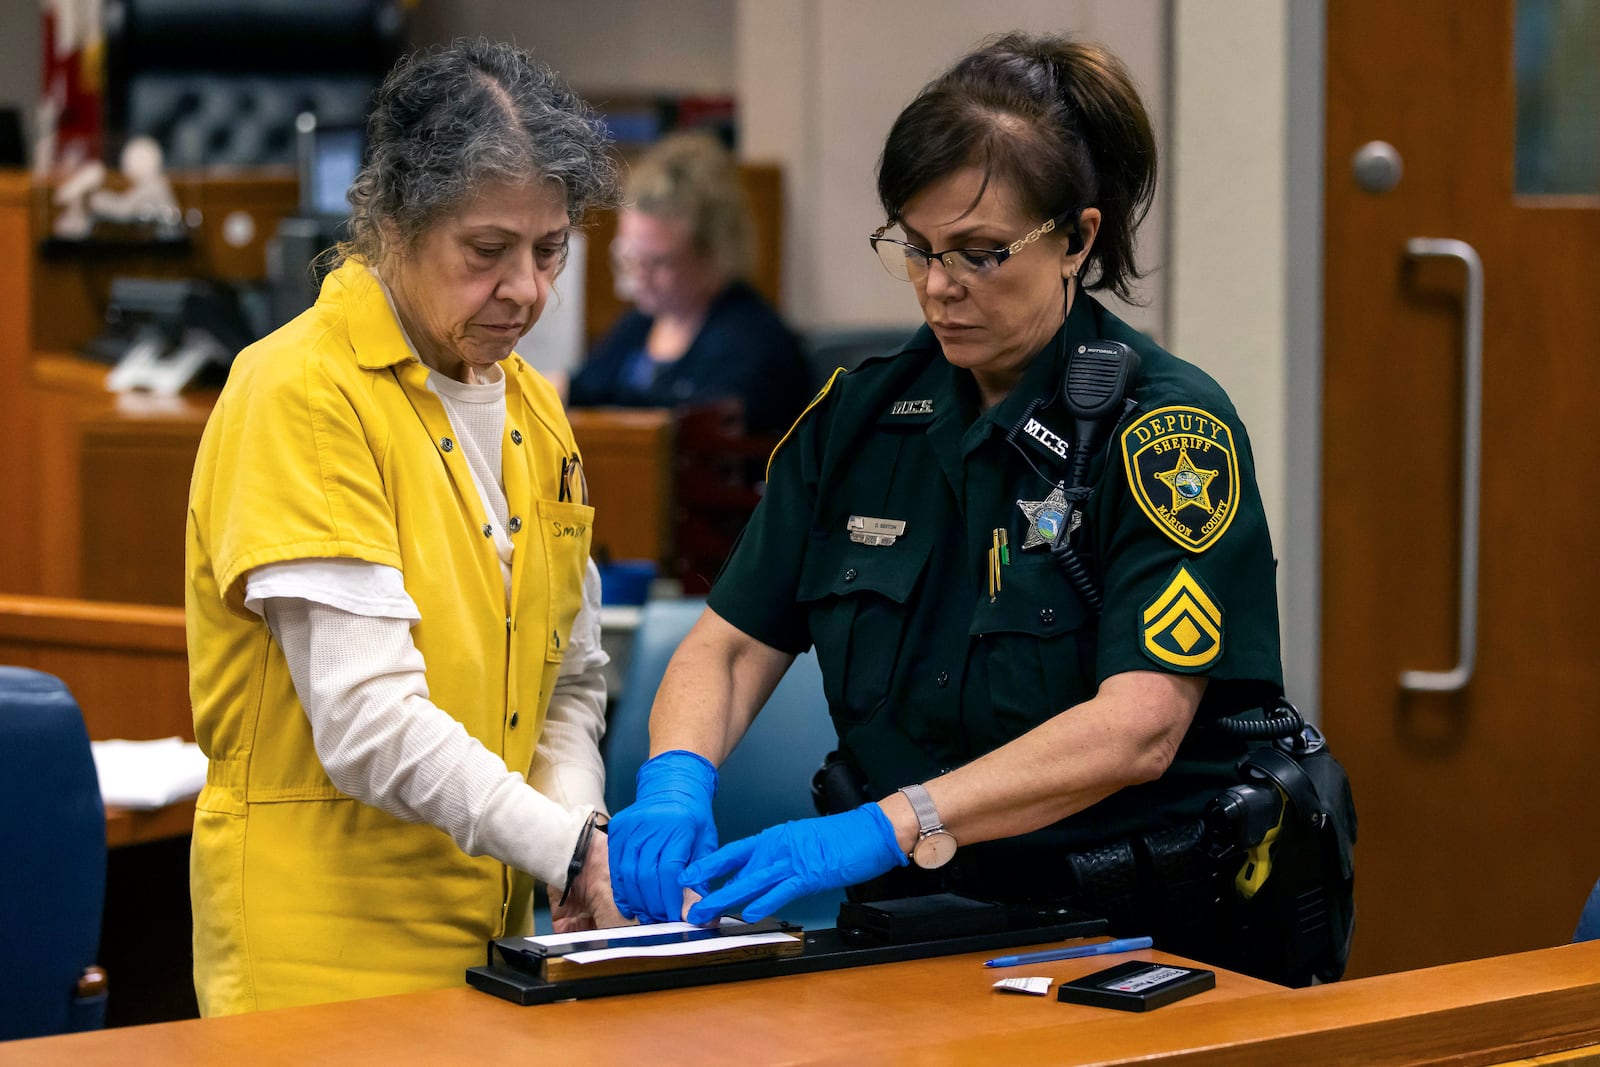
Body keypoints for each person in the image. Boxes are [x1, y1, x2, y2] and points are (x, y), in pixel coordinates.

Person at [608, 33, 1290, 972]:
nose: (938, 287)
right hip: (912, 934)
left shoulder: (1165, 431)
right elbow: (727, 645)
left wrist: (896, 821)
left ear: (1077, 239)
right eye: (918, 248)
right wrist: (675, 780)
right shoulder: (859, 416)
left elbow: (1141, 723)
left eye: (979, 254)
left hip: (1129, 939)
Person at [186, 39, 625, 1016]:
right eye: (486, 252)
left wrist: (573, 830)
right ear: (389, 222)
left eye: (549, 249)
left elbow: (570, 680)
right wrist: (568, 846)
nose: (528, 289)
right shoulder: (301, 389)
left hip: (496, 946)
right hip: (321, 966)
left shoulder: (535, 409)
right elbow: (366, 722)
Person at [567, 131, 812, 435]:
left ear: (713, 254)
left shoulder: (754, 342)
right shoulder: (638, 325)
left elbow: (698, 423)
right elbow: (581, 391)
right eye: (630, 257)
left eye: (658, 262)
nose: (639, 276)